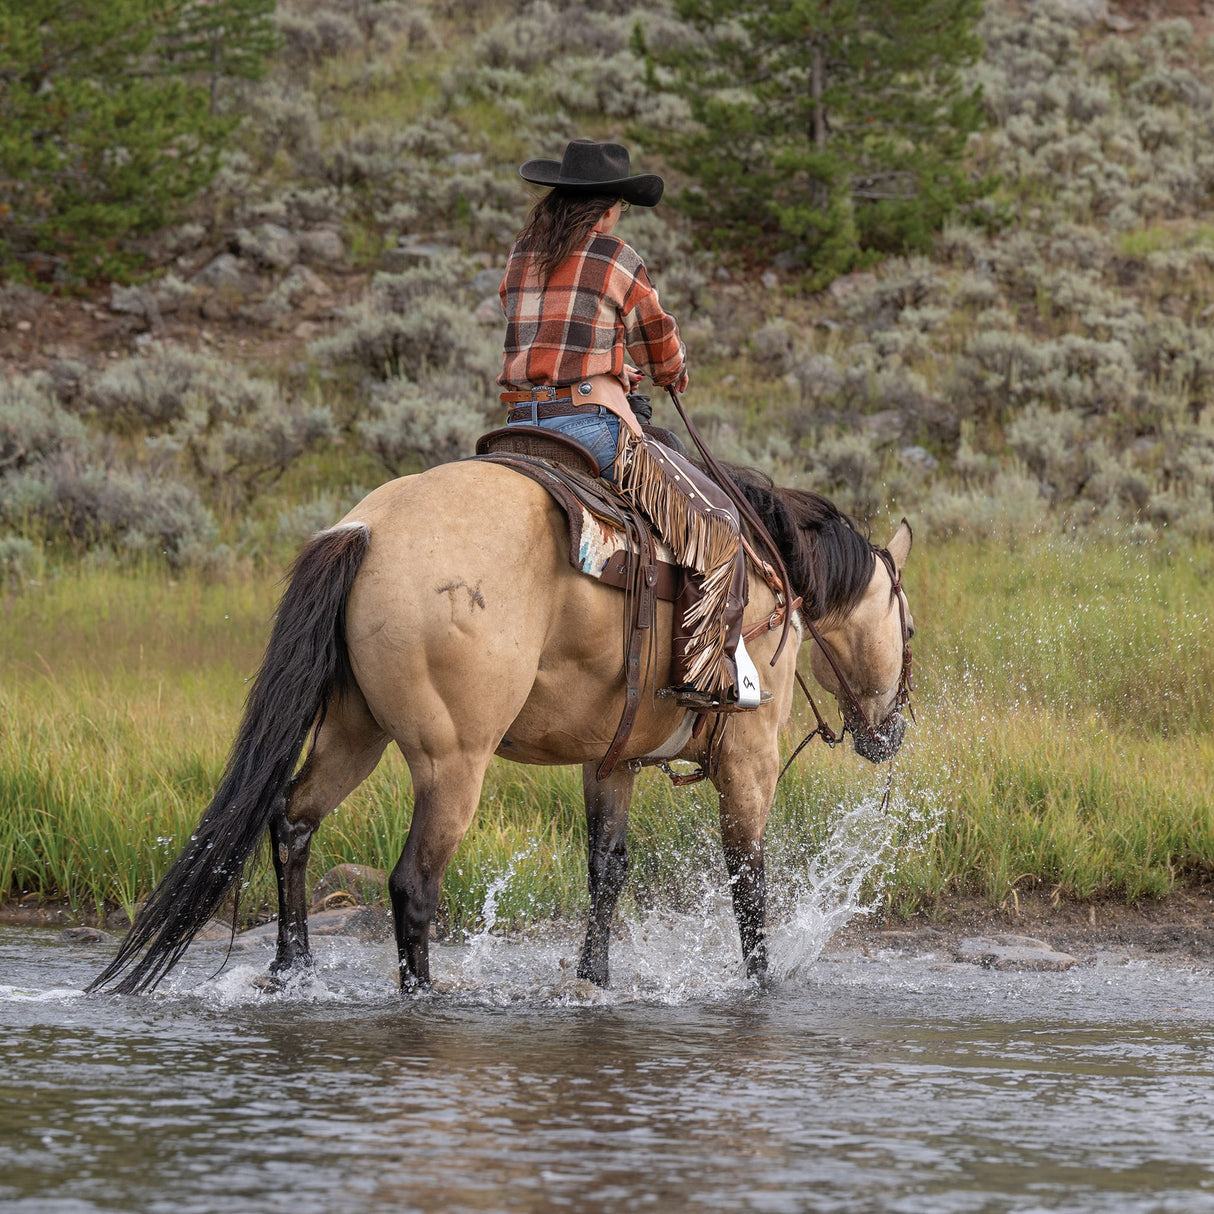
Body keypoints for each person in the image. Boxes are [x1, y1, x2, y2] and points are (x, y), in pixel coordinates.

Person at [497, 138, 767, 712]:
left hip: (519, 424)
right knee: (716, 526)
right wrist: (672, 371)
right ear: (611, 207)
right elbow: (656, 336)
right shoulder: (618, 258)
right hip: (589, 427)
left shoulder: (521, 256)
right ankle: (701, 673)